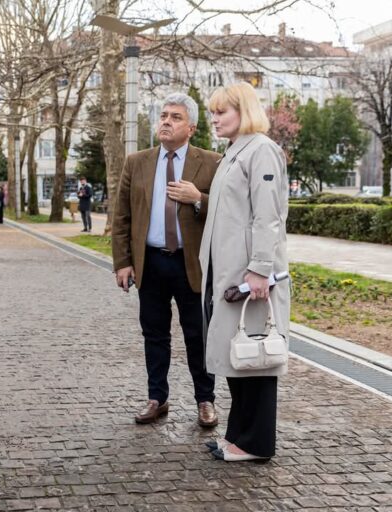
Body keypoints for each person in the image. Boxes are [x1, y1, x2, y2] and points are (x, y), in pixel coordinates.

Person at [111, 93, 221, 428]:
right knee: (154, 334)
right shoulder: (137, 162)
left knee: (198, 335)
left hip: (191, 264)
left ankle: (205, 400)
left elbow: (229, 210)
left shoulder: (212, 162)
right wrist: (123, 262)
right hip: (151, 263)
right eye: (163, 115)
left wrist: (198, 198)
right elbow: (122, 216)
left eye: (175, 117)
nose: (166, 122)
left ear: (192, 128)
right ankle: (157, 398)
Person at [201, 82, 290, 462]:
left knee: (257, 355)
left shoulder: (262, 151)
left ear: (244, 110)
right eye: (213, 112)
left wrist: (259, 269)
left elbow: (267, 216)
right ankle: (238, 436)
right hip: (230, 273)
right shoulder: (236, 151)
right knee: (239, 355)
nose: (215, 119)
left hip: (249, 275)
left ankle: (255, 444)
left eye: (222, 111)